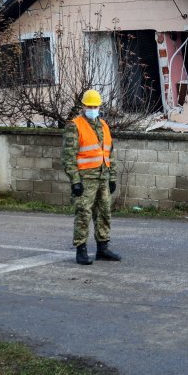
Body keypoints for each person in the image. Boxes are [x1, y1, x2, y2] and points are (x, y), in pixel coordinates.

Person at [61, 89, 122, 265]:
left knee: (104, 212)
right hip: (85, 178)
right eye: (90, 106)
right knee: (84, 213)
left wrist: (112, 177)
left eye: (95, 106)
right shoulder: (75, 125)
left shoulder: (103, 125)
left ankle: (103, 248)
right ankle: (81, 250)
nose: (93, 108)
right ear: (83, 106)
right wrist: (75, 180)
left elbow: (110, 153)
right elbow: (68, 156)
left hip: (103, 176)